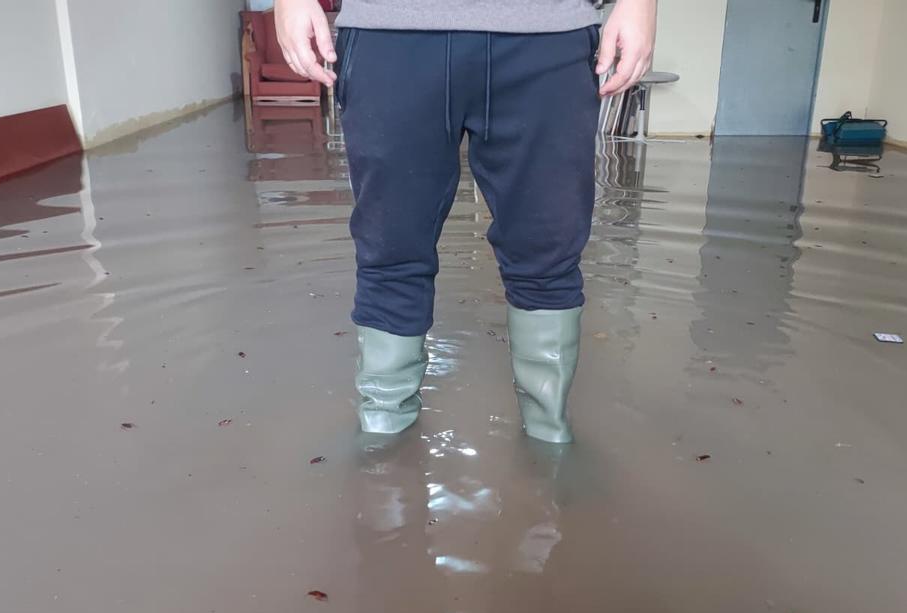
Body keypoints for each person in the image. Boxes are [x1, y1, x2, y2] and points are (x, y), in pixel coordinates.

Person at [274, 0, 656, 443]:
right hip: (390, 32)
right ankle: (383, 446)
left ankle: (549, 438)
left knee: (548, 253)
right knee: (389, 251)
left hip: (550, 34)